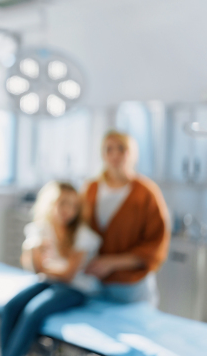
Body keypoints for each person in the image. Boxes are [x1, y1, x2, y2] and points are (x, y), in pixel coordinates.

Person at [0, 181, 101, 356]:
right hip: (50, 282)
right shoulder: (42, 229)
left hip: (76, 288)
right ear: (50, 203)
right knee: (11, 307)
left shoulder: (82, 235)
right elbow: (33, 267)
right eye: (62, 203)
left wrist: (43, 268)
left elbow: (68, 275)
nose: (67, 209)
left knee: (33, 311)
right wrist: (33, 253)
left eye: (72, 205)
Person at [82, 129, 170, 305]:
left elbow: (156, 243)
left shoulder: (146, 193)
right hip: (94, 282)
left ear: (132, 153)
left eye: (121, 148)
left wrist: (112, 263)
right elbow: (78, 229)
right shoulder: (90, 189)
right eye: (109, 149)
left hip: (131, 286)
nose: (115, 154)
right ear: (102, 154)